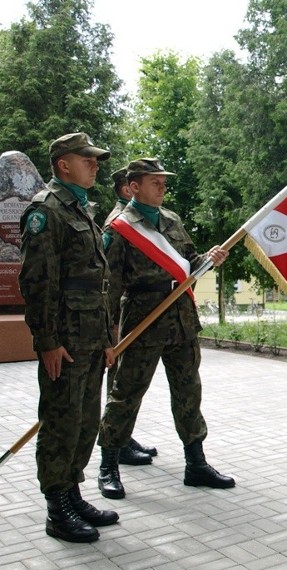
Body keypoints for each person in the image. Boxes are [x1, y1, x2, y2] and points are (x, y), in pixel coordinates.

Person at [96, 157, 235, 499]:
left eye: (163, 181)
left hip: (181, 318)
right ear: (133, 187)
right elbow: (109, 288)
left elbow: (189, 262)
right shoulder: (119, 228)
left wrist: (209, 258)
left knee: (188, 391)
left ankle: (196, 463)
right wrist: (106, 339)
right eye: (154, 181)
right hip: (143, 318)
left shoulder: (171, 219)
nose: (162, 186)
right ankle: (108, 464)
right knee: (126, 393)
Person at [19, 132, 119, 543]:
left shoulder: (81, 209)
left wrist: (109, 338)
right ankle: (56, 507)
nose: (95, 164)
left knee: (85, 420)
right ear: (64, 163)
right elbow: (37, 282)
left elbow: (99, 283)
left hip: (92, 338)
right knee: (61, 421)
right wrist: (46, 341)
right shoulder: (47, 211)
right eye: (88, 159)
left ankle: (72, 492)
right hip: (65, 340)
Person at [104, 166, 158, 467]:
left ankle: (124, 437)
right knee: (121, 383)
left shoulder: (146, 219)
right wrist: (111, 323)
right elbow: (110, 278)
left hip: (144, 312)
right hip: (128, 312)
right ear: (128, 189)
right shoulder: (118, 221)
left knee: (127, 384)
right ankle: (117, 443)